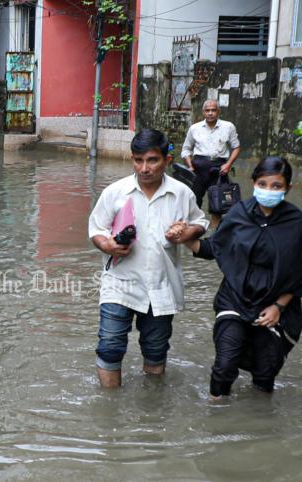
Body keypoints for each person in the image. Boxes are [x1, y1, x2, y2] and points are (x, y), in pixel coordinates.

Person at [183, 156, 302, 397]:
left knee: (265, 373)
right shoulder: (238, 214)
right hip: (235, 298)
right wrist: (184, 238)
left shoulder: (297, 223)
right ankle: (216, 408)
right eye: (263, 184)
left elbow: (299, 274)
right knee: (224, 366)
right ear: (253, 183)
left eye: (276, 186)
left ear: (288, 188)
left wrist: (278, 307)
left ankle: (260, 414)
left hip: (275, 305)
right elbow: (213, 248)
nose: (268, 190)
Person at [88, 129, 209, 388]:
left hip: (161, 284)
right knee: (109, 347)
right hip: (119, 282)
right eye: (138, 160)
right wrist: (108, 245)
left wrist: (186, 232)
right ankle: (110, 406)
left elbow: (200, 223)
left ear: (167, 160)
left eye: (152, 160)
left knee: (155, 350)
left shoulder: (181, 193)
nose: (144, 168)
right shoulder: (115, 192)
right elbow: (96, 229)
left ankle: (152, 404)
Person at [181, 99, 241, 227]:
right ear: (203, 112)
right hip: (198, 169)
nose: (210, 113)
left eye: (213, 110)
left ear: (219, 111)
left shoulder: (228, 127)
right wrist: (190, 166)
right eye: (207, 110)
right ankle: (194, 230)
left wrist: (228, 165)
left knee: (217, 204)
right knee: (193, 200)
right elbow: (186, 149)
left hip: (219, 170)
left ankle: (215, 233)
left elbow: (236, 147)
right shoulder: (194, 128)